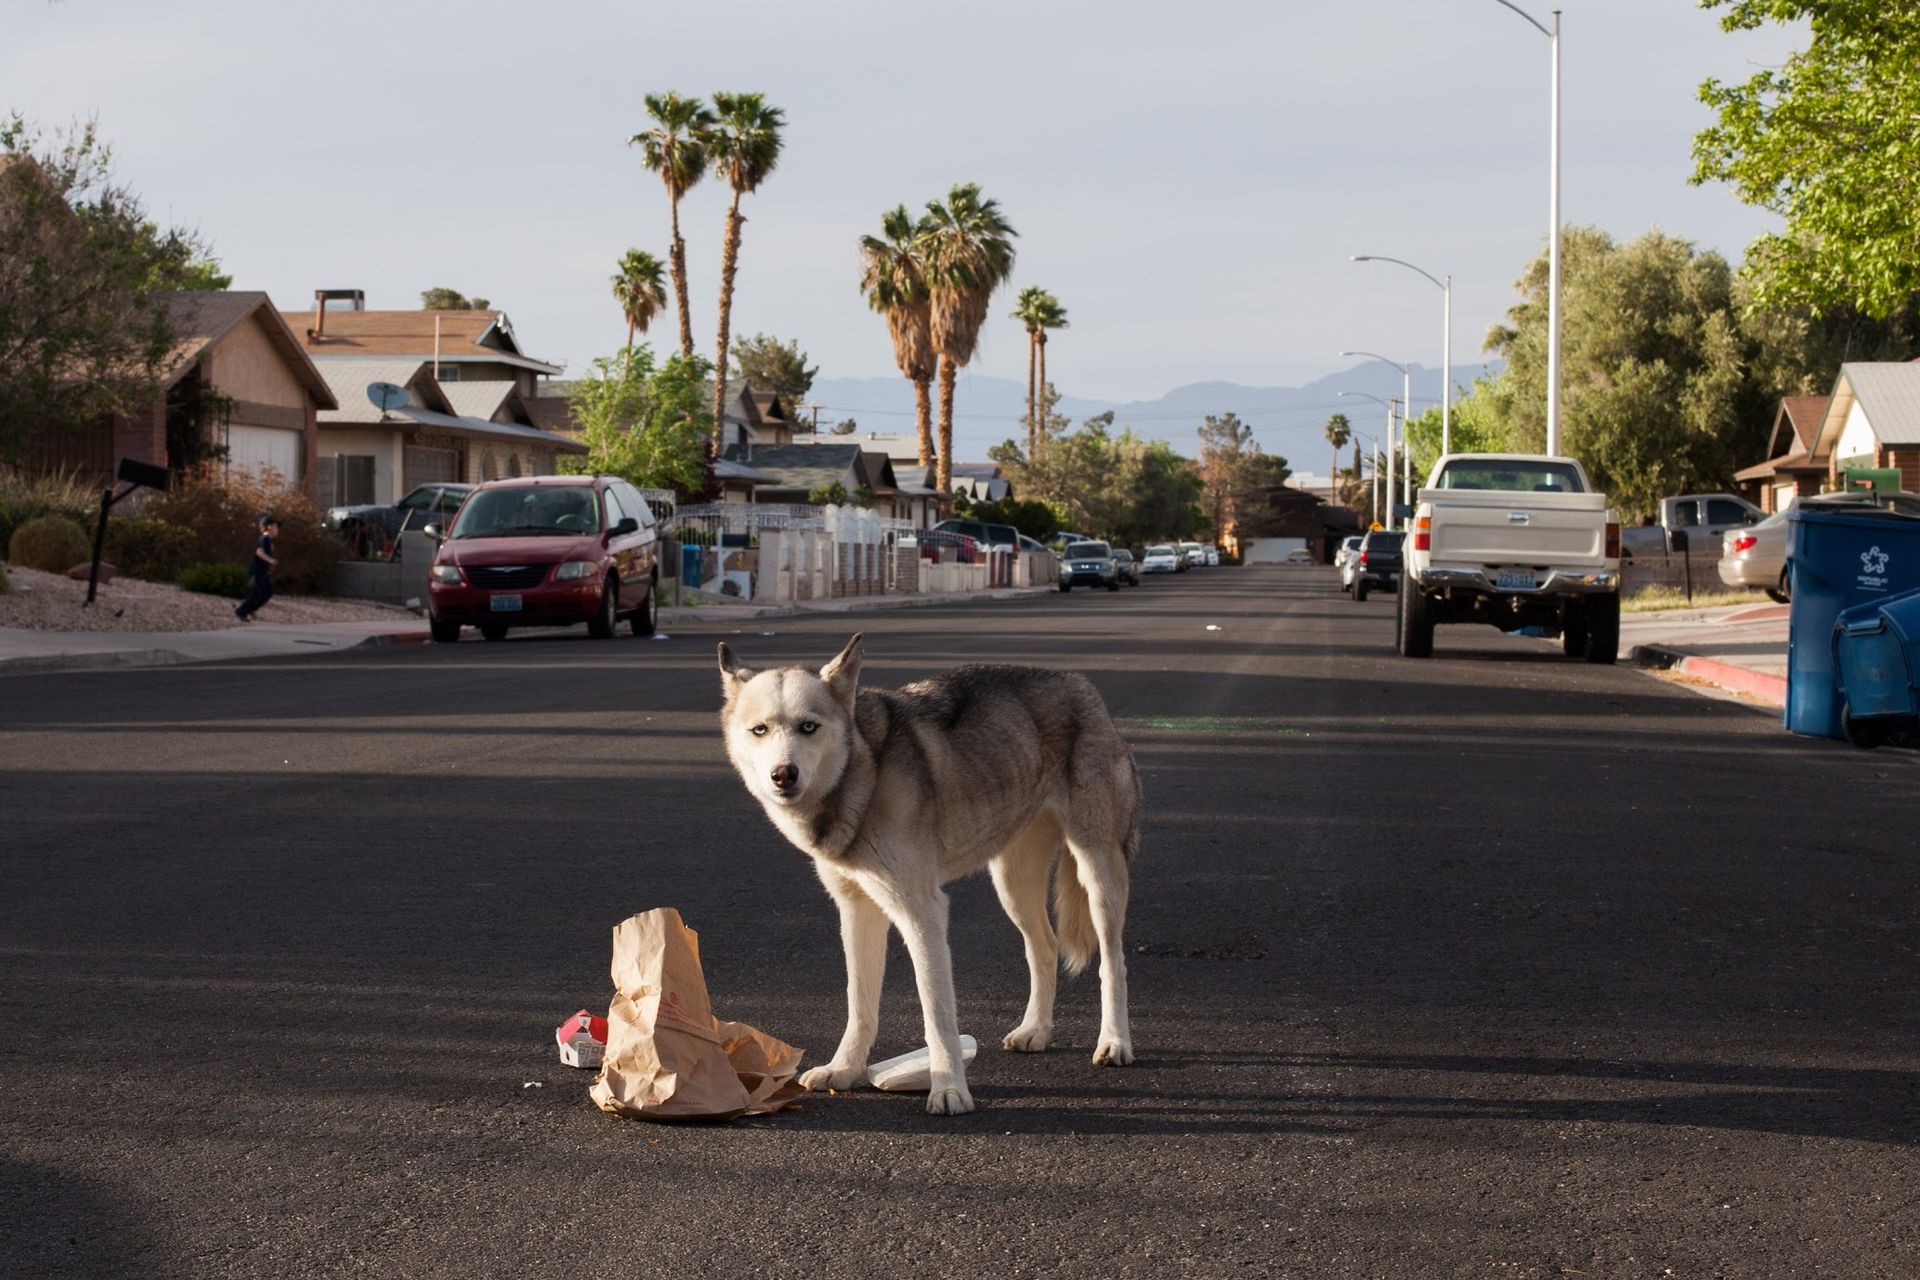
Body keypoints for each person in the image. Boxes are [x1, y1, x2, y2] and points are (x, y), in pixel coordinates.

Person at [235, 515, 280, 621]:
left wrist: (269, 566)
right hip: (258, 571)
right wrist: (271, 560)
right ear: (269, 527)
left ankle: (250, 609)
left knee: (267, 592)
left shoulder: (268, 540)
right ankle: (241, 611)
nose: (277, 530)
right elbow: (259, 552)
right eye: (276, 527)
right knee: (257, 593)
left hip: (263, 571)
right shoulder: (265, 538)